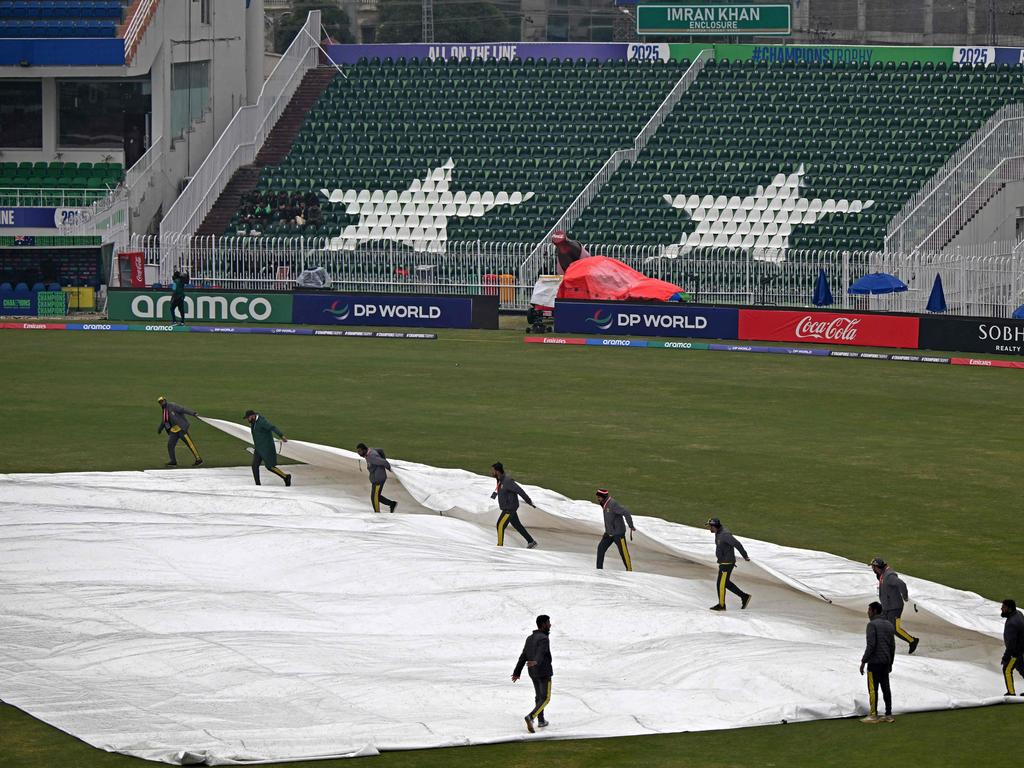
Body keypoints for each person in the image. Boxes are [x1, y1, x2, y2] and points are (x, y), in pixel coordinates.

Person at [512, 614, 553, 733]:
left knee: (539, 696)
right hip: (543, 671)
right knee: (545, 698)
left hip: (533, 672)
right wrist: (536, 661)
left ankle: (541, 720)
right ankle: (531, 717)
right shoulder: (544, 639)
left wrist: (517, 672)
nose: (550, 625)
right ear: (543, 624)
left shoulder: (529, 638)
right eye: (548, 622)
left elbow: (523, 656)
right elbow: (541, 652)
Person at [870, 558, 919, 654]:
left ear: (877, 567)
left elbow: (902, 584)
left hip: (895, 608)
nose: (872, 569)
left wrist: (905, 597)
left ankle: (912, 641)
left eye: (873, 567)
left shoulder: (889, 576)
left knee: (895, 629)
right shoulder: (882, 574)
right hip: (887, 608)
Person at [860, 601, 896, 723]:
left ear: (874, 611)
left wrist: (863, 661)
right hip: (886, 662)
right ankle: (888, 714)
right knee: (886, 688)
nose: (868, 612)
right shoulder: (889, 625)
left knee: (873, 689)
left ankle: (873, 715)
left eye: (869, 610)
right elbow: (892, 646)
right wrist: (891, 662)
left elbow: (871, 645)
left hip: (874, 662)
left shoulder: (872, 625)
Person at [706, 518, 752, 611]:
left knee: (721, 584)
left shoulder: (725, 534)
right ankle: (744, 596)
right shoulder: (718, 533)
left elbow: (737, 544)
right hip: (723, 562)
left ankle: (722, 605)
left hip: (727, 563)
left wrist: (745, 556)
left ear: (714, 526)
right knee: (725, 583)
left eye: (710, 526)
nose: (709, 528)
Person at [490, 462, 538, 549]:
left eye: (492, 470)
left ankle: (499, 546)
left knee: (500, 525)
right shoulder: (500, 480)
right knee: (517, 525)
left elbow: (520, 490)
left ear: (497, 471)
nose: (491, 472)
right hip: (508, 507)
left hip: (509, 509)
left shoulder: (507, 481)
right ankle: (531, 541)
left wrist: (529, 501)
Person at [244, 409, 290, 486]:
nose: (247, 420)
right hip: (258, 448)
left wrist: (281, 436)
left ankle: (286, 477)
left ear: (252, 416)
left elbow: (272, 427)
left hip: (266, 448)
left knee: (270, 467)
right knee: (254, 466)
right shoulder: (253, 422)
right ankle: (258, 485)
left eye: (248, 418)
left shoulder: (262, 422)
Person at [595, 489, 635, 571]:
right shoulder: (604, 503)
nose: (597, 498)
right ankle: (599, 570)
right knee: (601, 548)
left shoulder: (612, 504)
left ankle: (629, 570)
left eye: (599, 497)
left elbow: (626, 512)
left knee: (624, 553)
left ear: (603, 497)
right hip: (609, 533)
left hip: (618, 534)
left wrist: (630, 525)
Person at [157, 396, 202, 466]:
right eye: (160, 402)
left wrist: (193, 413)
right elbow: (164, 421)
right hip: (173, 431)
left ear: (165, 400)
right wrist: (160, 429)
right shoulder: (164, 410)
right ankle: (173, 461)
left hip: (181, 429)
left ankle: (198, 459)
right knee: (170, 445)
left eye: (162, 401)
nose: (162, 403)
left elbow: (183, 409)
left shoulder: (173, 406)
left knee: (189, 443)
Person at [356, 443, 397, 513]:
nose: (359, 453)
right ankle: (392, 504)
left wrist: (389, 468)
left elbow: (384, 462)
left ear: (364, 449)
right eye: (358, 452)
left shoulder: (371, 456)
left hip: (378, 480)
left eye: (360, 451)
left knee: (375, 497)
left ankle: (377, 513)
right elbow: (380, 450)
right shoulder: (370, 451)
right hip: (376, 479)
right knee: (375, 496)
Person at [1001, 598, 1024, 696]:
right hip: (1022, 650)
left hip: (1016, 653)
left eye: (1003, 607)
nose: (1001, 609)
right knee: (1022, 669)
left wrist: (1006, 657)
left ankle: (1011, 693)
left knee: (1007, 669)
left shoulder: (1012, 623)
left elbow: (1011, 644)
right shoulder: (1019, 613)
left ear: (1009, 609)